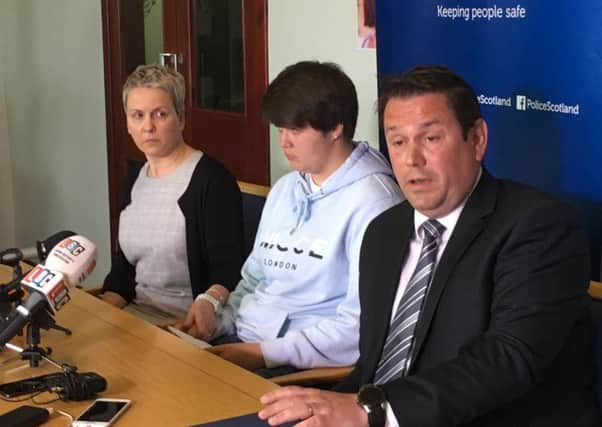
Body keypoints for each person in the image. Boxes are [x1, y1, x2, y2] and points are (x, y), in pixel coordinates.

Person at [258, 65, 600, 426]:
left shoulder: (539, 227)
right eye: (397, 141)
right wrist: (319, 407)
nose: (411, 159)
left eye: (431, 139)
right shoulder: (384, 232)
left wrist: (372, 413)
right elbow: (374, 367)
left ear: (478, 139)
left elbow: (507, 359)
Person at [178, 61, 403, 374]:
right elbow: (254, 282)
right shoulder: (286, 189)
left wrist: (261, 353)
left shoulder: (376, 203)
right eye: (280, 129)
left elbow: (357, 329)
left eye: (296, 130)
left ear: (336, 127)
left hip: (301, 368)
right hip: (244, 344)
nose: (284, 142)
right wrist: (215, 317)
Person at [102, 64, 244, 336]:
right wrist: (98, 317)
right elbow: (124, 272)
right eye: (137, 115)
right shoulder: (134, 179)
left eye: (160, 114)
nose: (148, 127)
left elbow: (229, 271)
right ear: (127, 123)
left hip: (187, 327)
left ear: (180, 118)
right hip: (135, 318)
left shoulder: (211, 180)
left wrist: (207, 304)